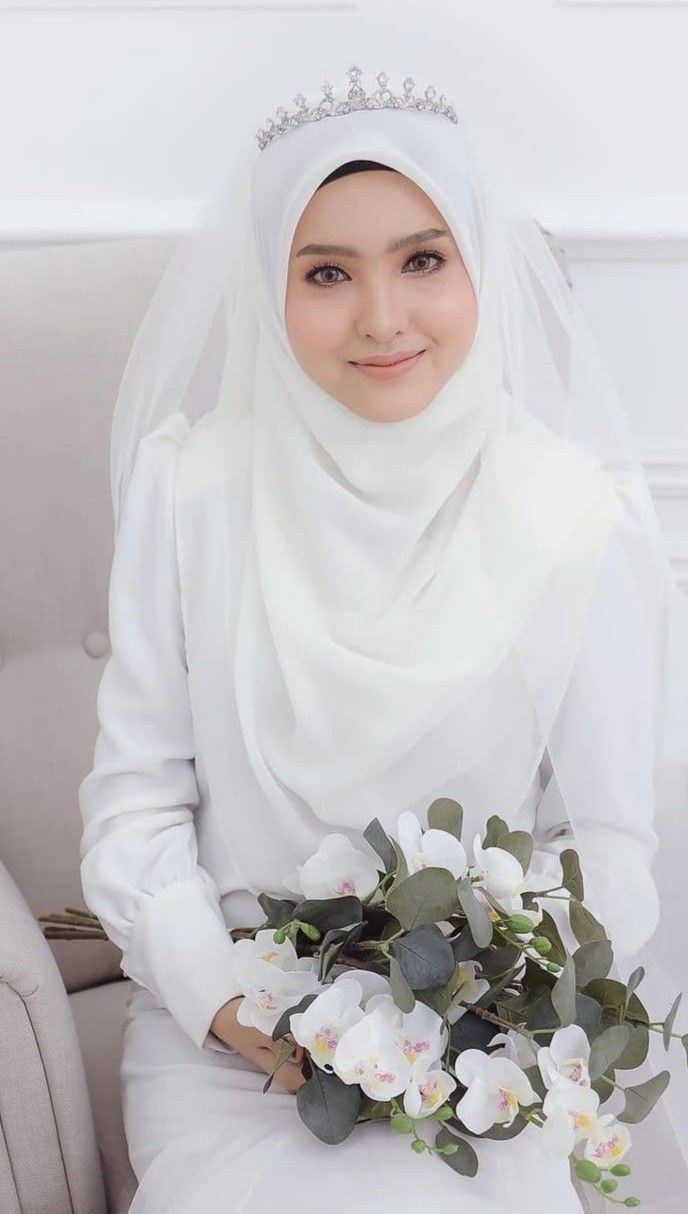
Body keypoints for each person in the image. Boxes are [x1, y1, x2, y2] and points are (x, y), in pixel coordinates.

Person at [77, 62, 688, 1213]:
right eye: (325, 272)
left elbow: (604, 843)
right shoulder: (193, 489)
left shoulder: (574, 518)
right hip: (229, 1045)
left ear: (481, 268)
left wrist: (478, 1004)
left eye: (422, 259)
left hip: (478, 1047)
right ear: (269, 287)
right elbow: (135, 806)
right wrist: (232, 1008)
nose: (380, 317)